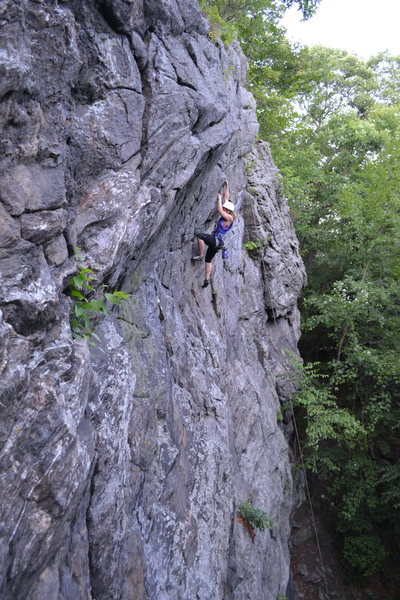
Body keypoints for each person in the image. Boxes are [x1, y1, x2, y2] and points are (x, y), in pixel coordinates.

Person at [192, 180, 235, 288]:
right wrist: (227, 186)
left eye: (226, 209)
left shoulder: (230, 218)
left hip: (217, 241)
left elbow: (220, 209)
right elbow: (227, 199)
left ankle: (200, 256)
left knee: (200, 236)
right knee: (208, 260)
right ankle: (206, 280)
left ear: (229, 211)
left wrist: (219, 199)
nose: (224, 209)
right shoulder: (228, 212)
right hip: (217, 243)